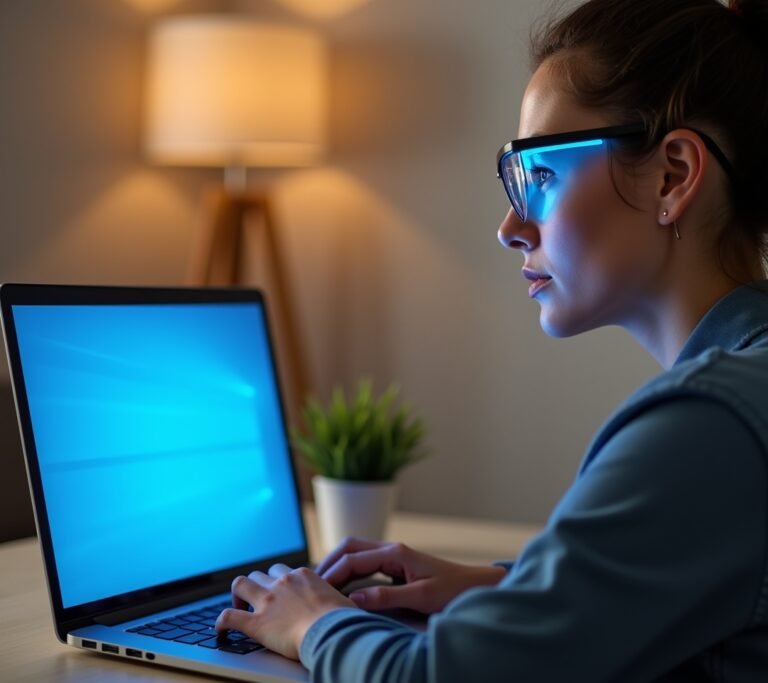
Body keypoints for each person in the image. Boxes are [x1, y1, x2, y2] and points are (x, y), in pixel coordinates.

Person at [214, 0, 768, 680]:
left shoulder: (711, 428)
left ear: (673, 173)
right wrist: (508, 586)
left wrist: (314, 621)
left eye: (539, 175)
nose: (510, 225)